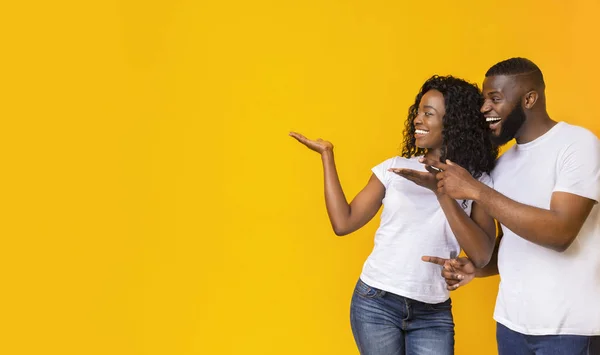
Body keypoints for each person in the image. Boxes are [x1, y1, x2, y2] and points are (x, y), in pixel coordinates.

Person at [289, 75, 498, 355]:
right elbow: (343, 222)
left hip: (432, 312)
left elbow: (482, 255)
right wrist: (327, 156)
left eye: (429, 113)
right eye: (418, 111)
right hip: (376, 302)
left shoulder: (477, 182)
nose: (417, 119)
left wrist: (441, 192)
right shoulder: (394, 169)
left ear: (454, 123)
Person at [420, 58, 600, 355]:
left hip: (570, 331)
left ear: (529, 98)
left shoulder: (577, 145)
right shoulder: (504, 165)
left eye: (495, 99)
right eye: (484, 100)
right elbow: (512, 241)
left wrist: (477, 191)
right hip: (511, 326)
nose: (484, 108)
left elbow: (560, 233)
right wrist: (477, 268)